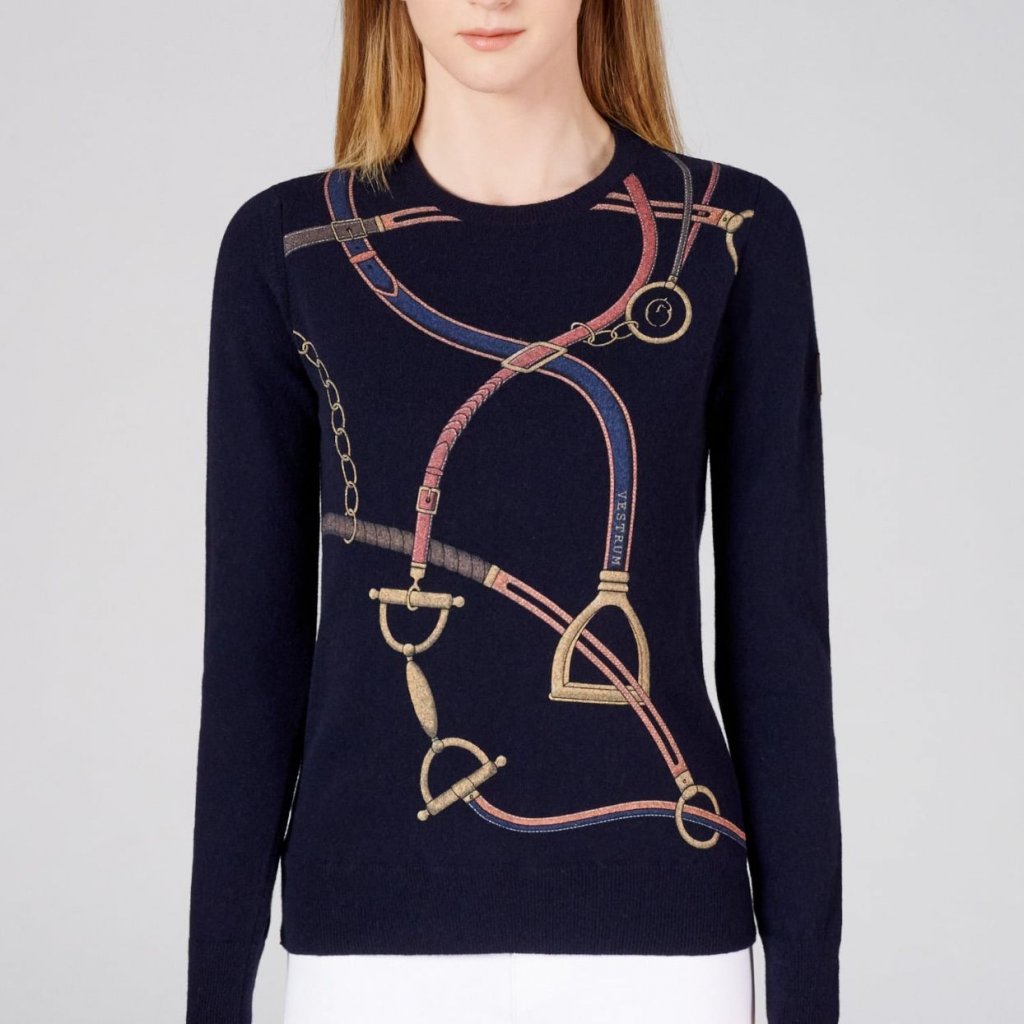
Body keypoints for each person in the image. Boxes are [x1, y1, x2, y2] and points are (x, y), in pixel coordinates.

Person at [185, 2, 842, 1023]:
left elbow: (781, 653)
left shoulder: (725, 237)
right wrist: (212, 997)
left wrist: (806, 998)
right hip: (368, 951)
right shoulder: (291, 251)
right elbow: (249, 664)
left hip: (662, 948)